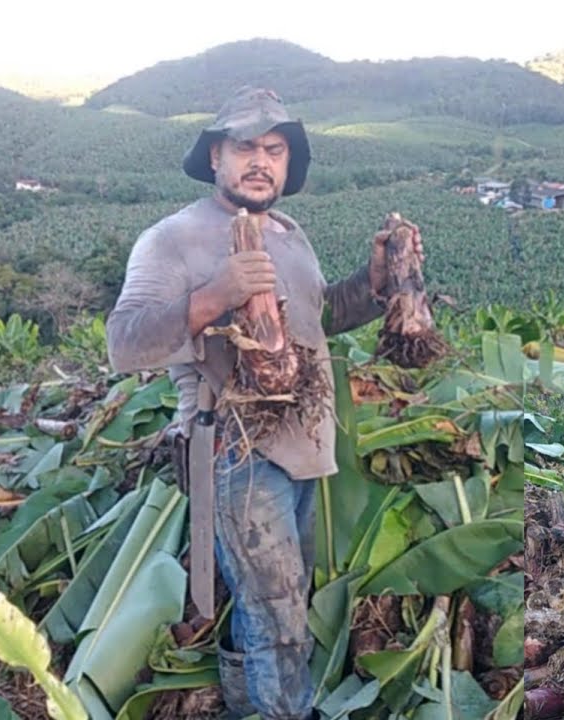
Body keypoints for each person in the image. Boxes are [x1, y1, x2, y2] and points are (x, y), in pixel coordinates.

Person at [105, 86, 423, 720]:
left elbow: (314, 321)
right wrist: (213, 295)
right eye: (245, 147)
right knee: (276, 610)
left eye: (275, 150)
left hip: (304, 443)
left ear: (287, 165)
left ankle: (247, 705)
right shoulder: (175, 238)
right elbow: (124, 343)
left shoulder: (288, 232)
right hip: (234, 448)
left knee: (275, 601)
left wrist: (375, 287)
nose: (261, 160)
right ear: (216, 158)